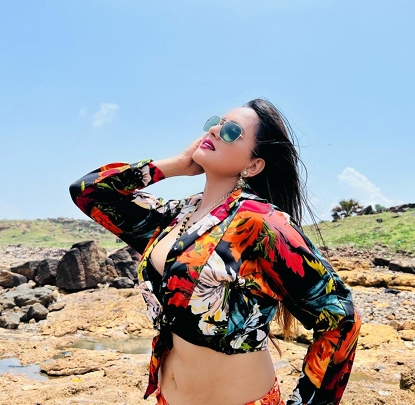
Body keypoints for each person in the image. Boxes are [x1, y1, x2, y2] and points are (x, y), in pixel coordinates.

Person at [69, 98, 361, 405]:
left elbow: (341, 317)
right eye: (215, 124)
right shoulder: (175, 217)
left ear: (253, 165)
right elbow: (88, 192)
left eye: (232, 131)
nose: (215, 131)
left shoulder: (261, 223)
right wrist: (178, 164)